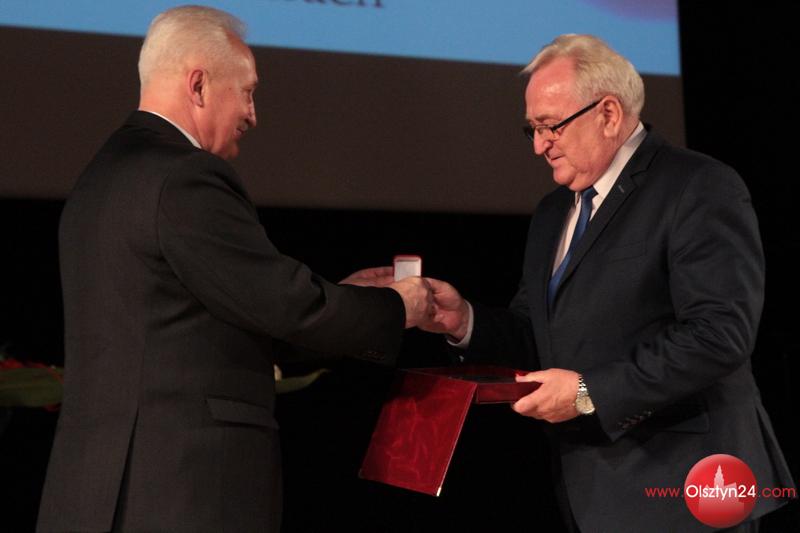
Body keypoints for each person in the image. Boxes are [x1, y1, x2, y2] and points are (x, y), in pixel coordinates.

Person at [36, 6, 432, 532]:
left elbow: (228, 312)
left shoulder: (102, 176)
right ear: (199, 85)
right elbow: (284, 303)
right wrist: (395, 307)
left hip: (101, 488)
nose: (252, 114)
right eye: (247, 92)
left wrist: (344, 294)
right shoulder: (185, 176)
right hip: (178, 492)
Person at [421, 35, 795, 532]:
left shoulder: (698, 185)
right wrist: (463, 322)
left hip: (689, 486)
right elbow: (538, 334)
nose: (538, 145)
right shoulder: (553, 212)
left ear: (609, 114)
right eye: (532, 129)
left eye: (550, 126)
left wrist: (585, 392)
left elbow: (719, 335)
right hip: (593, 490)